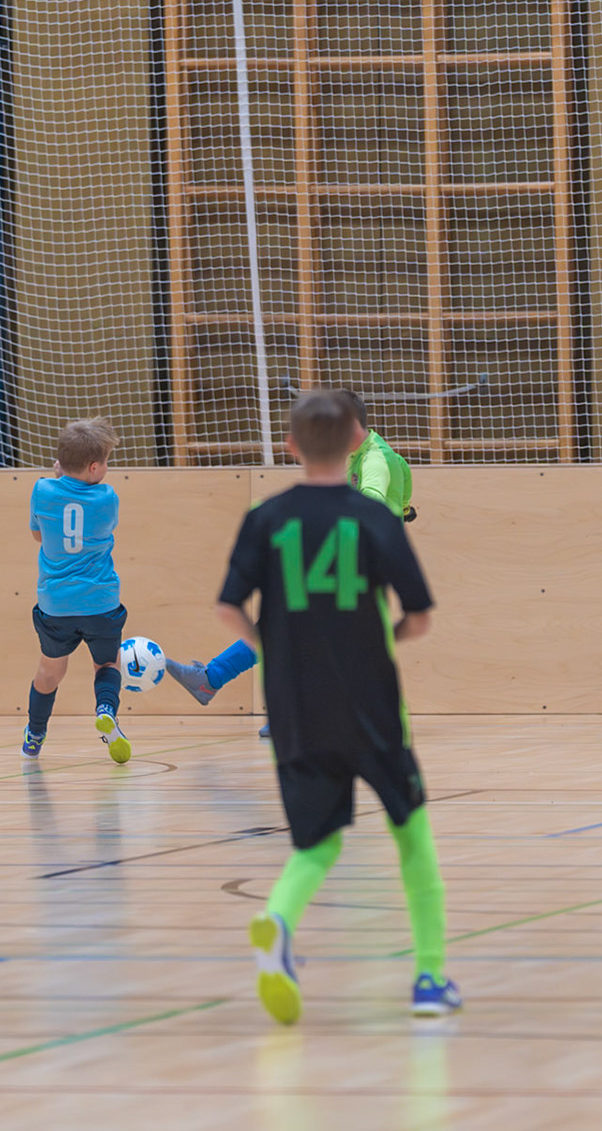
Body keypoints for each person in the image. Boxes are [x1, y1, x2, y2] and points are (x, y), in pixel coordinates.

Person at [216, 389, 459, 1023]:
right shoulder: (375, 518)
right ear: (357, 441)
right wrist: (381, 640)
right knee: (412, 837)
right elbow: (420, 617)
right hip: (370, 700)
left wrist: (271, 647)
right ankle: (430, 978)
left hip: (296, 703)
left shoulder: (266, 518)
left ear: (290, 446)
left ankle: (278, 918)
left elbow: (227, 606)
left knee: (316, 844)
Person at [170, 390, 416, 732]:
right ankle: (214, 679)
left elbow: (369, 504)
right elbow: (403, 494)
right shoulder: (370, 455)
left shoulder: (374, 460)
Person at [23, 416, 131, 765]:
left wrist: (60, 479)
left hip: (56, 605)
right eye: (106, 463)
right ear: (94, 467)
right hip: (100, 602)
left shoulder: (42, 490)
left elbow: (38, 535)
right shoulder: (107, 498)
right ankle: (106, 710)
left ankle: (35, 735)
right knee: (107, 663)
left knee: (50, 672)